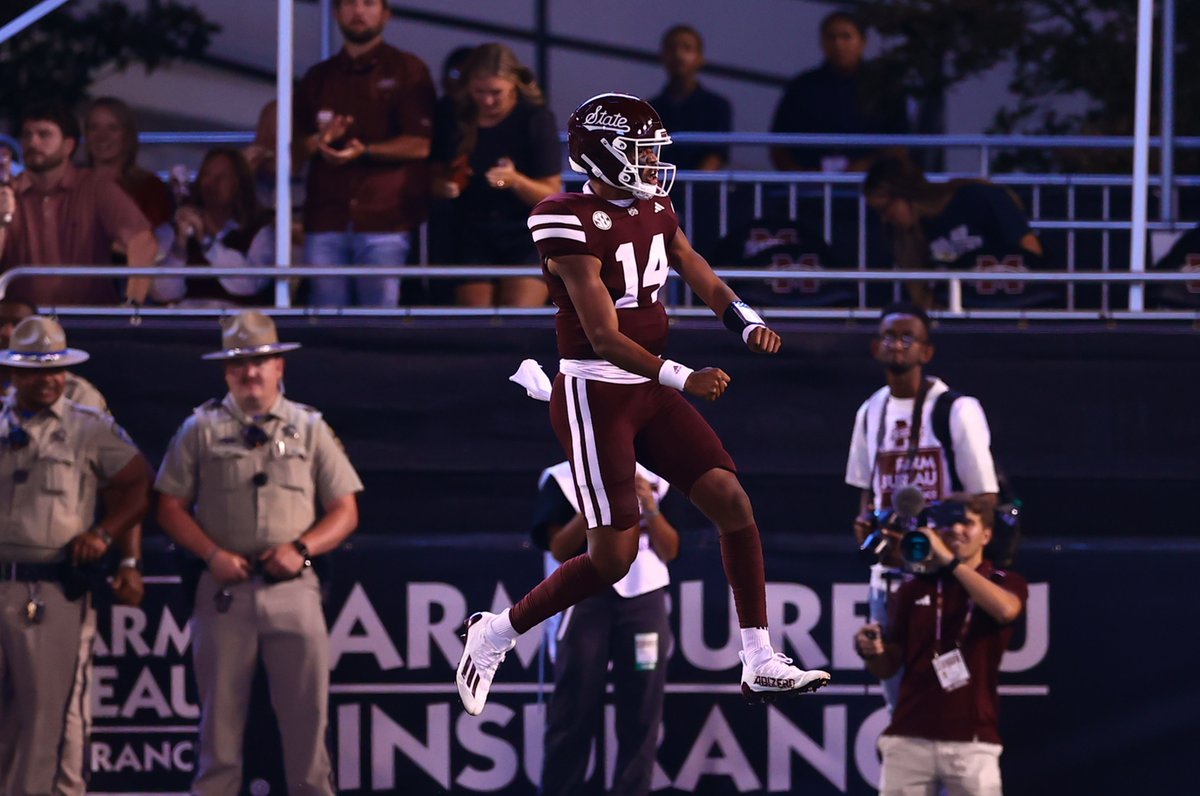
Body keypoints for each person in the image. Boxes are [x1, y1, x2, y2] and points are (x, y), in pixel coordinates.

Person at [455, 92, 831, 717]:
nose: (654, 164)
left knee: (732, 501)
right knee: (613, 557)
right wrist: (685, 377)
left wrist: (742, 320)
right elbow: (603, 336)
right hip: (596, 391)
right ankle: (496, 632)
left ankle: (759, 657)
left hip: (649, 388)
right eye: (641, 152)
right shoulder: (562, 217)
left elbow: (692, 264)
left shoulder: (654, 204)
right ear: (603, 156)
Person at [155, 310, 362, 795]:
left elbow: (346, 511)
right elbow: (168, 506)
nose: (251, 372)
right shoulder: (199, 428)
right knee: (218, 732)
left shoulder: (309, 427)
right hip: (225, 591)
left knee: (308, 729)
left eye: (260, 362)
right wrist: (210, 554)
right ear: (227, 370)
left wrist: (303, 547)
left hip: (293, 588)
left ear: (279, 367)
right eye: (240, 363)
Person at [0, 315, 151, 795]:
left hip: (50, 586)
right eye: (36, 369)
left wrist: (106, 537)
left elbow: (138, 484)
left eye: (57, 368)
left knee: (46, 715)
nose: (49, 378)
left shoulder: (89, 426)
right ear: (14, 374)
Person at [846, 302, 999, 711]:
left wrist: (933, 525)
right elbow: (867, 489)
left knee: (952, 705)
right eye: (889, 337)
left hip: (944, 577)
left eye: (907, 337)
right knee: (900, 704)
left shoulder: (956, 409)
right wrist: (867, 522)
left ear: (926, 352)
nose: (897, 345)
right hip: (890, 579)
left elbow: (985, 499)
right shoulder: (869, 412)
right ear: (876, 347)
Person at [855, 497, 1027, 796]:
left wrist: (949, 561)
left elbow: (1006, 610)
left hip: (972, 741)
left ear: (986, 534)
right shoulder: (913, 589)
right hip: (909, 736)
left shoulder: (1004, 581)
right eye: (947, 523)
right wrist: (872, 651)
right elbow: (888, 666)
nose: (956, 529)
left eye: (967, 522)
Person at [534, 462, 678, 796]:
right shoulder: (561, 478)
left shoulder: (659, 479)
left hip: (643, 599)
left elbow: (671, 550)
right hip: (584, 598)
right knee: (573, 710)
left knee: (642, 711)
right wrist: (597, 505)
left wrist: (651, 508)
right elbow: (558, 548)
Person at [294, 0, 436, 307]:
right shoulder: (318, 77)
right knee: (326, 320)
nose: (358, 11)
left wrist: (365, 151)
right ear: (334, 12)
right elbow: (296, 149)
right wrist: (321, 140)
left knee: (380, 322)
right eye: (348, 3)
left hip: (386, 219)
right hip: (325, 218)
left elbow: (421, 144)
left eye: (369, 3)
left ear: (386, 13)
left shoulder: (409, 70)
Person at [430, 43, 561, 307]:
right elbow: (431, 173)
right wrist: (445, 185)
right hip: (471, 230)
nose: (487, 101)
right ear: (467, 87)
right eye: (479, 92)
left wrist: (515, 181)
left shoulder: (534, 119)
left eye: (496, 93)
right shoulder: (453, 113)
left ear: (513, 84)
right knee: (475, 322)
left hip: (525, 233)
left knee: (518, 319)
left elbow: (552, 193)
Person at [0, 100, 157, 306]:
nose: (33, 143)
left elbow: (142, 242)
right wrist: (2, 221)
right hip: (21, 328)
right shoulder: (8, 191)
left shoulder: (95, 186)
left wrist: (132, 306)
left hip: (89, 325)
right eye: (27, 135)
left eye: (44, 135)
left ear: (68, 145)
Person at [863, 153, 1049, 308]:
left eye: (885, 208)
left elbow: (1030, 250)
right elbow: (923, 298)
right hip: (963, 315)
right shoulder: (908, 237)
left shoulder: (977, 197)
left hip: (1015, 302)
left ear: (905, 193)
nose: (884, 218)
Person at [770, 12, 908, 172]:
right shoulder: (803, 86)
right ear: (822, 42)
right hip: (809, 187)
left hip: (871, 186)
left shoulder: (884, 87)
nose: (838, 44)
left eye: (846, 37)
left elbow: (899, 143)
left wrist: (864, 167)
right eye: (831, 37)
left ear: (863, 42)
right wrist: (803, 176)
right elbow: (779, 142)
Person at [150, 147, 274, 307]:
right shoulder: (177, 227)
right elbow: (162, 293)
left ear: (238, 183)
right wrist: (179, 248)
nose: (211, 184)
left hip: (238, 326)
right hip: (188, 325)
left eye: (222, 177)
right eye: (207, 175)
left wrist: (208, 243)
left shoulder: (259, 230)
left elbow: (249, 285)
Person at [649, 25, 733, 172]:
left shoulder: (717, 106)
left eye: (687, 48)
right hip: (658, 189)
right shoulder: (649, 109)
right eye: (671, 48)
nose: (678, 55)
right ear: (662, 56)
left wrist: (692, 185)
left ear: (700, 58)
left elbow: (717, 154)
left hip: (701, 192)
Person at [83, 96, 174, 231]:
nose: (102, 136)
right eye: (94, 128)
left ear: (127, 135)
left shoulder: (150, 188)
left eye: (113, 128)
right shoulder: (71, 184)